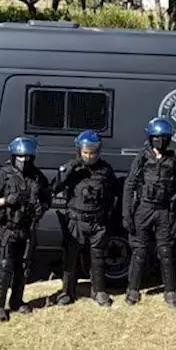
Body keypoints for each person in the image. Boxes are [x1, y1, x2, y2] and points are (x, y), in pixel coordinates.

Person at [0, 136, 50, 321]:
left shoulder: (37, 176)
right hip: (7, 228)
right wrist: (4, 201)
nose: (24, 161)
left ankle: (17, 301)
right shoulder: (2, 176)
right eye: (20, 157)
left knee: (23, 267)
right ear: (14, 156)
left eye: (28, 157)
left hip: (27, 228)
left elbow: (47, 196)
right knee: (5, 267)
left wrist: (42, 207)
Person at [123, 117, 176, 307]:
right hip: (143, 209)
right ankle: (133, 290)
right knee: (139, 251)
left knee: (165, 252)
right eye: (157, 137)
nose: (161, 141)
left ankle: (170, 292)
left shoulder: (174, 161)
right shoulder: (141, 158)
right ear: (150, 138)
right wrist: (126, 214)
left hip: (164, 211)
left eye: (164, 138)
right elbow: (130, 185)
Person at [52, 130, 119, 306]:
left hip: (97, 221)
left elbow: (114, 192)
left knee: (97, 258)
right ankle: (67, 292)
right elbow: (55, 186)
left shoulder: (105, 169)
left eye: (93, 152)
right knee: (71, 257)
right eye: (86, 152)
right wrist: (68, 171)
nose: (89, 156)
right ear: (79, 150)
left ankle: (98, 291)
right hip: (76, 220)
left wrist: (108, 214)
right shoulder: (72, 168)